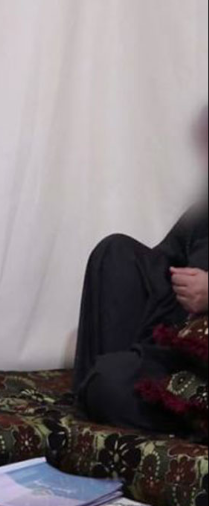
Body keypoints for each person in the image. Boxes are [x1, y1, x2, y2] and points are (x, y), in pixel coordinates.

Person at [73, 107, 208, 433]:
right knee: (115, 252)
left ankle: (108, 391)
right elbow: (160, 272)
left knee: (110, 384)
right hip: (180, 351)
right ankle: (104, 388)